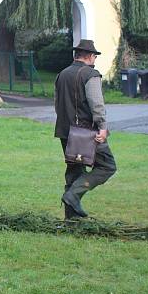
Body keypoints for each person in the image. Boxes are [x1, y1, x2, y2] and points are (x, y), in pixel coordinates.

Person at [54, 39, 117, 219]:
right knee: (107, 166)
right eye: (94, 57)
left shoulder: (62, 74)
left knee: (74, 172)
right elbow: (97, 105)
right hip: (86, 134)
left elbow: (57, 104)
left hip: (65, 132)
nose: (95, 60)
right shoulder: (90, 74)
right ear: (89, 56)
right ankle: (73, 195)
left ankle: (72, 219)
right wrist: (103, 128)